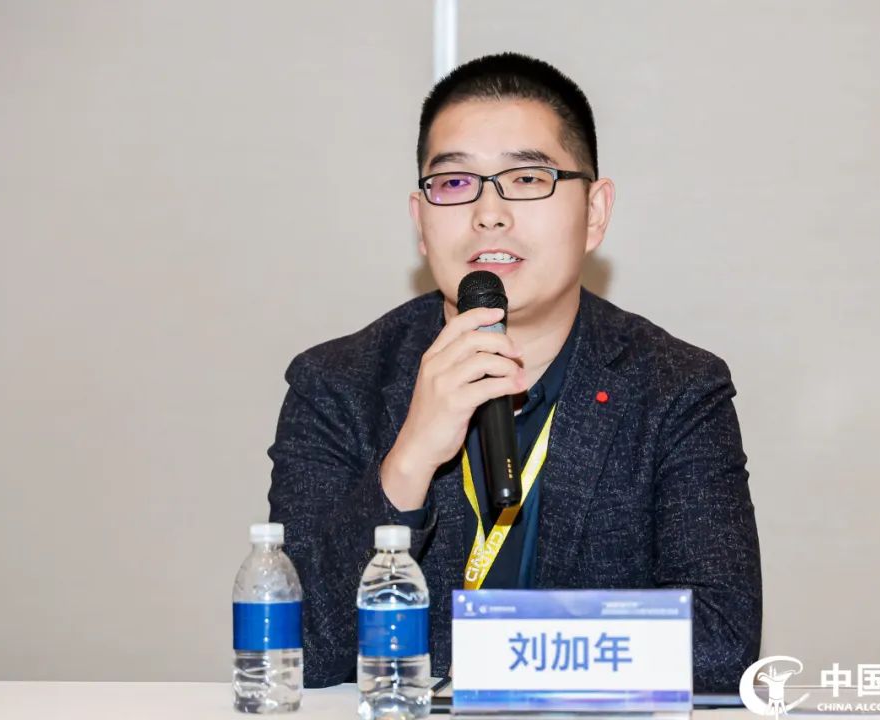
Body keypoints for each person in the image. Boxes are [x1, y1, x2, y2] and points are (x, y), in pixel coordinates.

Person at [267, 52, 761, 691]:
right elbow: (299, 647)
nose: (488, 213)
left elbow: (720, 643)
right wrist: (409, 462)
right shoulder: (336, 383)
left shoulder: (676, 388)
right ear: (421, 222)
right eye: (455, 183)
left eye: (527, 178)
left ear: (595, 212)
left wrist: (489, 650)